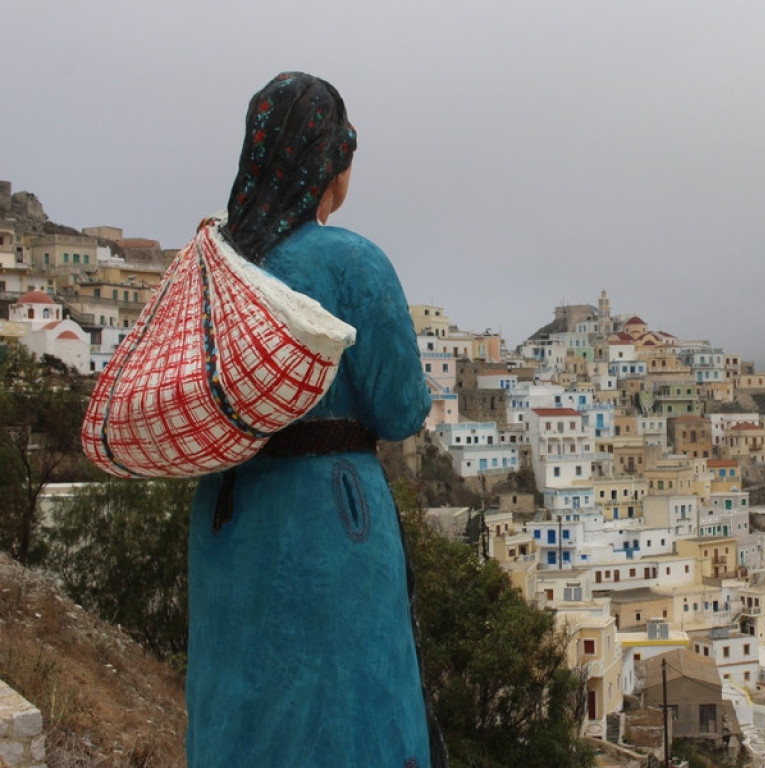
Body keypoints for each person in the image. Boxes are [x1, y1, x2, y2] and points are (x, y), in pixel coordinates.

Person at [185, 72, 436, 768]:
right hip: (335, 519)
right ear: (331, 165)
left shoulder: (218, 259)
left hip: (226, 515)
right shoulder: (352, 261)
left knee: (240, 706)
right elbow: (402, 408)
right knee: (349, 707)